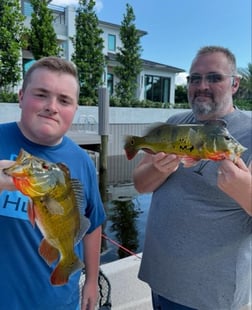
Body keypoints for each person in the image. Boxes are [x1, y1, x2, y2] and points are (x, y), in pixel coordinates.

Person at [133, 46, 252, 310]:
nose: (202, 86)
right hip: (160, 281)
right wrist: (159, 169)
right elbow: (140, 184)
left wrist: (245, 189)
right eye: (194, 78)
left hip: (210, 297)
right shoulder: (176, 123)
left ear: (234, 83)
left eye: (214, 77)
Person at [0, 57, 106, 310]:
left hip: (58, 301)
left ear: (75, 109)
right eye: (41, 94)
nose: (52, 106)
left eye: (64, 100)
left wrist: (91, 280)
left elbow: (92, 225)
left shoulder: (82, 161)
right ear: (21, 96)